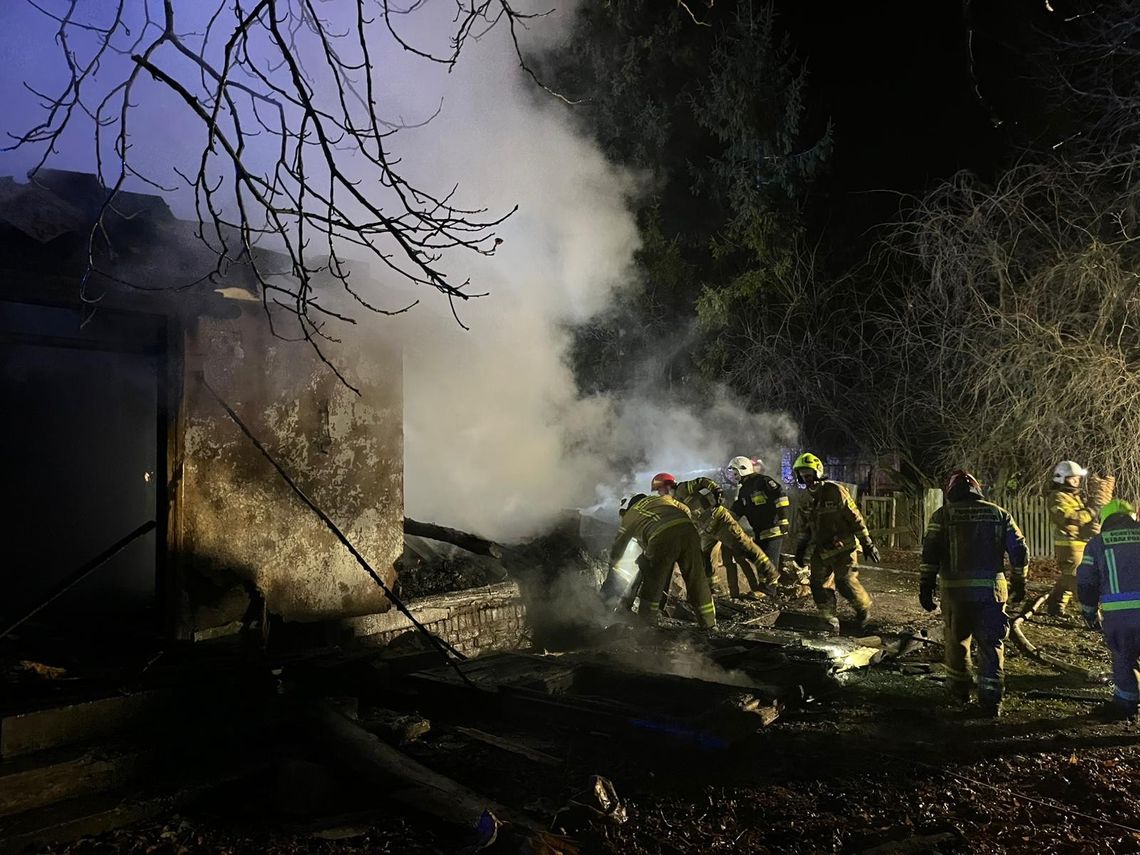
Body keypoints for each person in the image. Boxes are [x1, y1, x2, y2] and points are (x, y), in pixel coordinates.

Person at [919, 470, 1028, 718]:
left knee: (957, 643)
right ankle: (991, 700)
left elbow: (930, 552)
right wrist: (1019, 581)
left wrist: (926, 586)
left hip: (956, 595)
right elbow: (1019, 549)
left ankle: (960, 691)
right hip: (992, 593)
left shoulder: (943, 515)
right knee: (992, 644)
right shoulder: (1000, 514)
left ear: (950, 492)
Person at [790, 452, 879, 632]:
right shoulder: (804, 499)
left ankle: (863, 609)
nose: (807, 479)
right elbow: (804, 527)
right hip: (821, 550)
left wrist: (867, 542)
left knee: (845, 582)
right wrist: (800, 549)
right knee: (817, 584)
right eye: (803, 476)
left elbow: (855, 518)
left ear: (818, 472)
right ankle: (828, 619)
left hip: (844, 546)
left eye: (809, 474)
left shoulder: (835, 491)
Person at [604, 492, 715, 629]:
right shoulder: (658, 501)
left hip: (663, 536)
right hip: (689, 531)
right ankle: (709, 623)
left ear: (627, 508)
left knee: (653, 581)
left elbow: (619, 547)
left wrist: (612, 566)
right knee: (696, 578)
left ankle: (646, 624)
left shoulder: (631, 515)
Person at [1077, 498, 1140, 721]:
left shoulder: (1097, 543)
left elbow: (1086, 581)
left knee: (1123, 660)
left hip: (1119, 618)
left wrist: (1089, 611)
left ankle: (1125, 705)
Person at [672, 476, 779, 599]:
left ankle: (770, 572)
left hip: (719, 519)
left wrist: (716, 490)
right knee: (707, 558)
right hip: (707, 530)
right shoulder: (673, 502)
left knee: (743, 545)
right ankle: (715, 590)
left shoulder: (681, 488)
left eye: (660, 490)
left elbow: (702, 481)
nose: (660, 493)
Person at [1046, 460, 1101, 616]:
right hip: (1067, 546)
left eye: (1078, 478)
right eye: (1073, 478)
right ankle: (1091, 614)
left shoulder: (1075, 497)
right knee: (1076, 579)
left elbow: (1084, 520)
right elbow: (1069, 518)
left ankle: (1055, 605)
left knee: (1068, 576)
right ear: (1061, 478)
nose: (1077, 481)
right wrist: (1091, 511)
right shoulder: (1057, 497)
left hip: (1080, 543)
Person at [728, 456, 791, 575]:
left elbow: (780, 496)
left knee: (769, 564)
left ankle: (769, 591)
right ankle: (764, 590)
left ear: (743, 469)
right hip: (760, 533)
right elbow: (737, 510)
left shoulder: (763, 481)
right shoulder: (744, 490)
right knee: (762, 563)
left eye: (735, 472)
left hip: (773, 530)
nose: (734, 476)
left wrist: (783, 518)